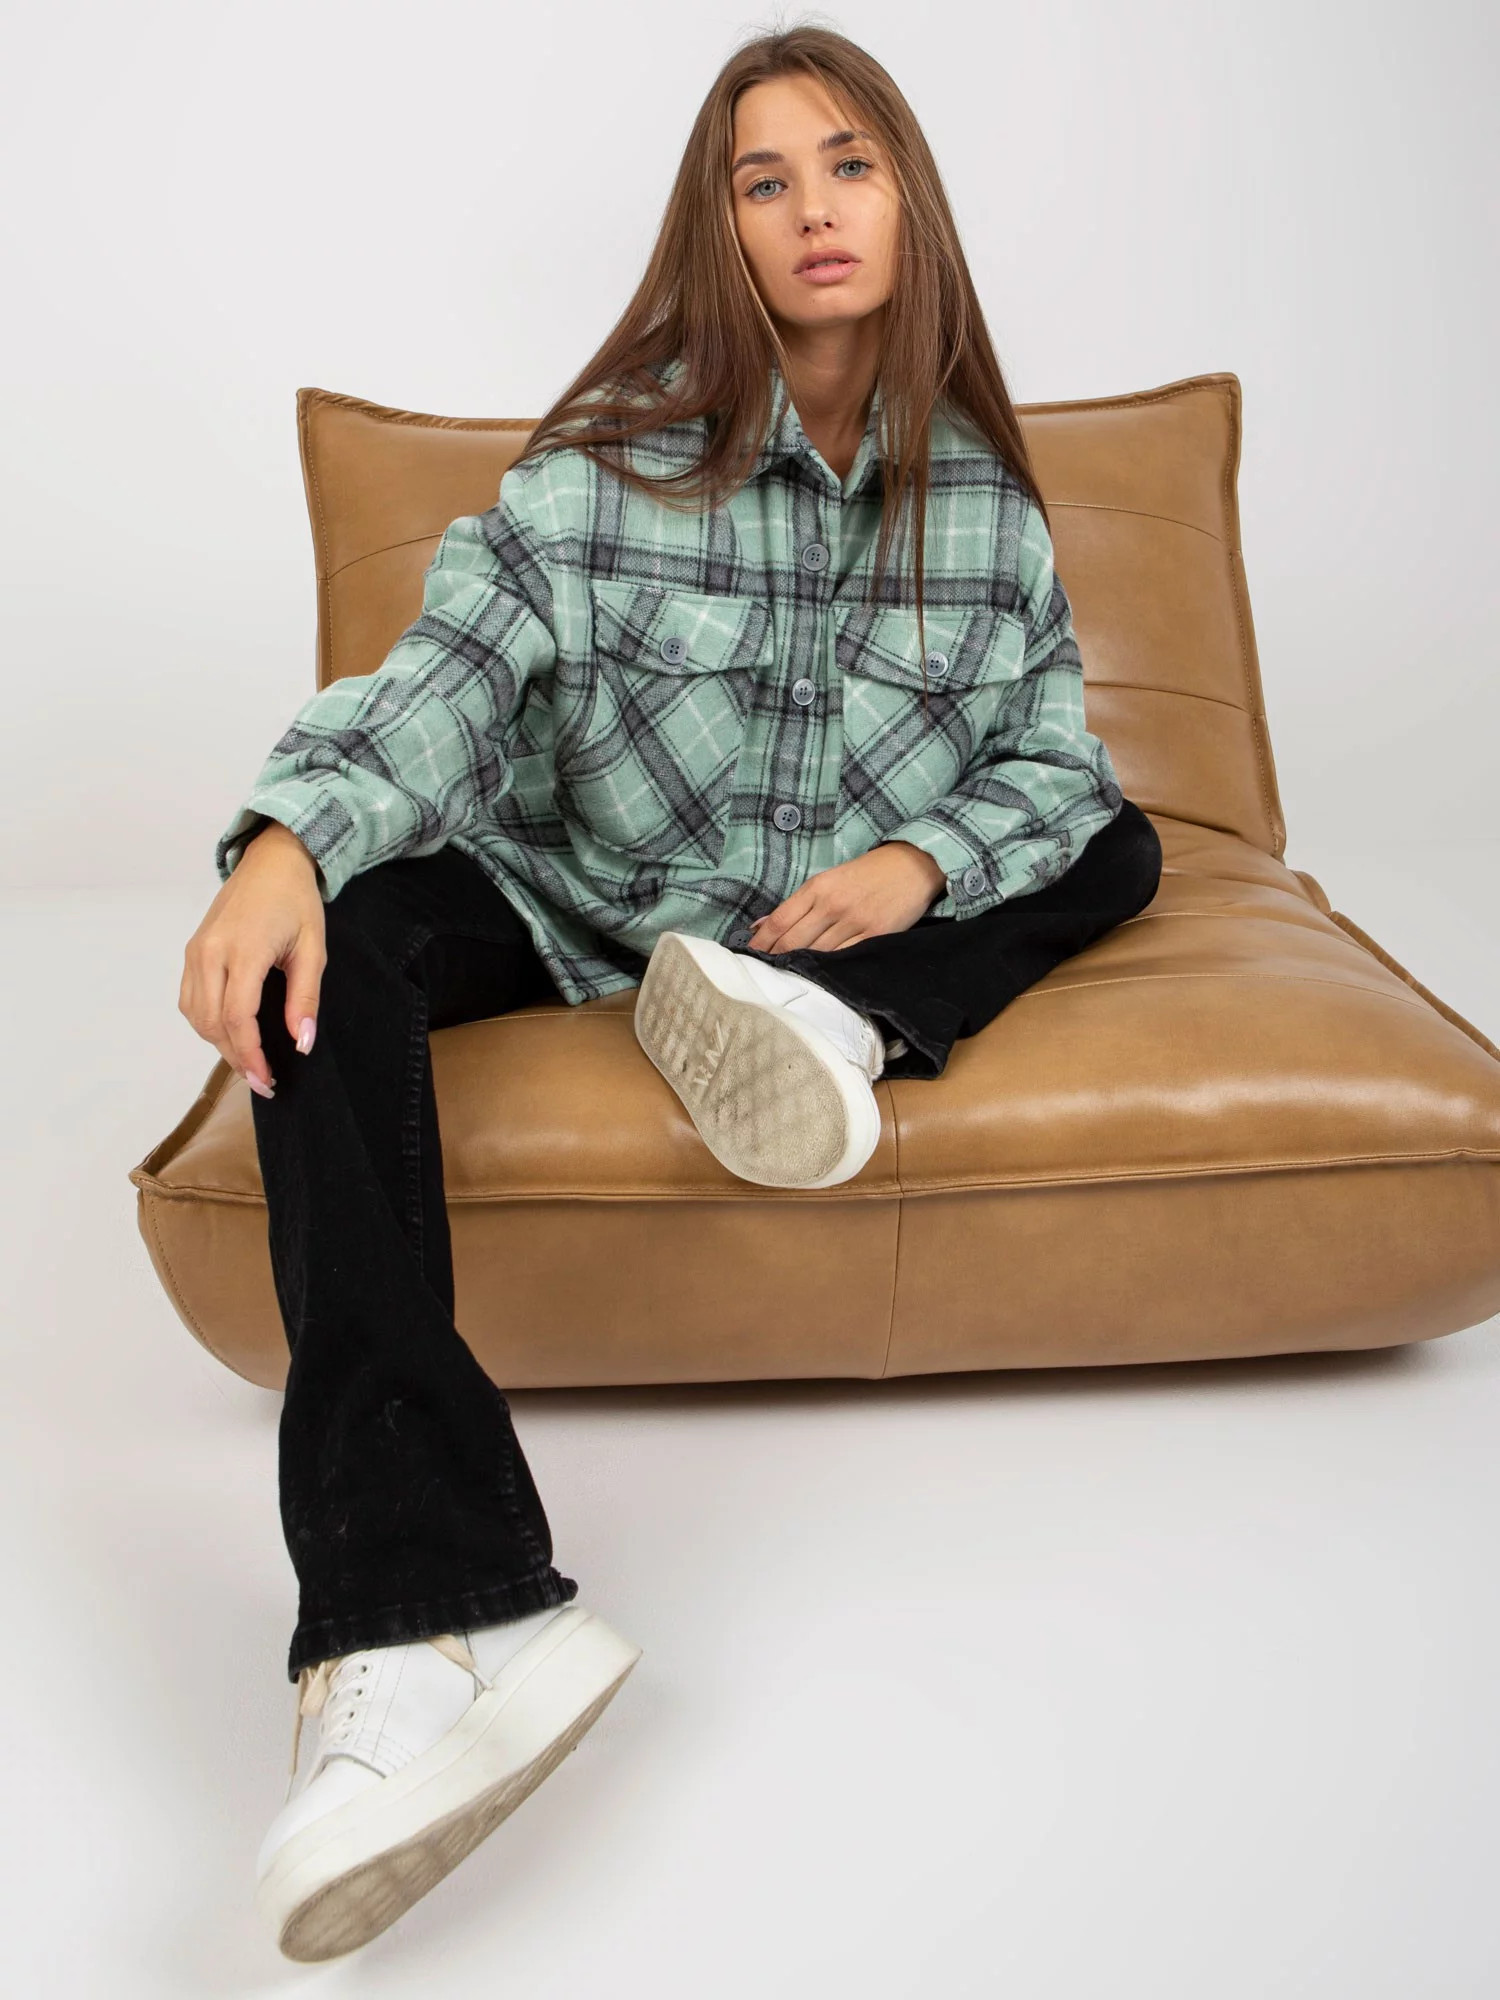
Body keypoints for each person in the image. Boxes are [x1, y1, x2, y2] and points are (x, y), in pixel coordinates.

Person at [178, 24, 1162, 1964]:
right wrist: (290, 839)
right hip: (577, 897)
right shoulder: (603, 467)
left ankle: (845, 1025)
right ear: (717, 229)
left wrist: (909, 872)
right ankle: (426, 1610)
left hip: (807, 949)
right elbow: (451, 677)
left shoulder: (981, 505)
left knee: (1118, 839)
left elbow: (1054, 767)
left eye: (850, 164)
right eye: (762, 180)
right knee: (330, 960)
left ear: (911, 201)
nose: (813, 210)